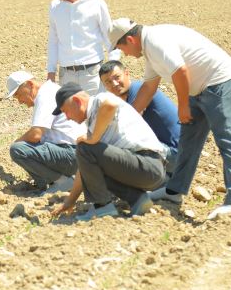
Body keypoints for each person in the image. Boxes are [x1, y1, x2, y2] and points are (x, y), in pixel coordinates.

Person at [111, 18, 231, 219]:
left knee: (227, 140)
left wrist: (183, 105)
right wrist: (126, 117)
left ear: (130, 40)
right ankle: (174, 192)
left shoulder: (155, 41)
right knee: (188, 141)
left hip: (219, 82)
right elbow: (149, 87)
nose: (125, 55)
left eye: (122, 49)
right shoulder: (149, 50)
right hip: (199, 88)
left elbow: (180, 71)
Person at [50, 83, 167, 221]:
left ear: (77, 101)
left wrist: (92, 139)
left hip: (148, 163)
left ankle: (102, 207)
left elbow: (110, 103)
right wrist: (70, 201)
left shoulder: (100, 100)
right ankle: (138, 199)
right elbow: (85, 170)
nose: (67, 117)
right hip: (146, 168)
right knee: (91, 164)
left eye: (65, 111)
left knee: (84, 147)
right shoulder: (93, 123)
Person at [6, 71, 86, 194]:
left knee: (17, 150)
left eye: (18, 95)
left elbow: (35, 135)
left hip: (73, 152)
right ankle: (54, 182)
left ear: (30, 84)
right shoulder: (50, 90)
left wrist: (17, 142)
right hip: (78, 152)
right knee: (28, 147)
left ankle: (61, 182)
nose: (20, 101)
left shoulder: (44, 95)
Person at [46, 0, 118, 95]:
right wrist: (51, 72)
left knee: (95, 113)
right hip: (65, 77)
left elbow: (111, 38)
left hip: (93, 76)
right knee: (68, 116)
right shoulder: (54, 6)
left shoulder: (96, 3)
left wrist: (114, 67)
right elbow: (53, 41)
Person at [99, 59, 180, 173]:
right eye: (108, 82)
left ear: (127, 73)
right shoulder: (127, 96)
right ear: (104, 86)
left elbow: (125, 130)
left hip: (176, 154)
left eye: (117, 77)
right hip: (173, 151)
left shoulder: (139, 92)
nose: (114, 84)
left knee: (121, 145)